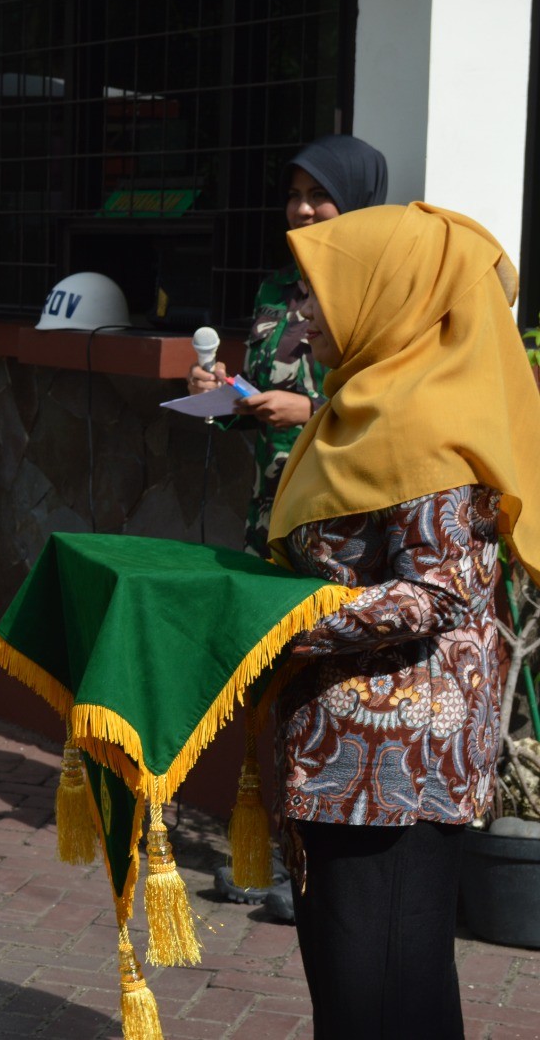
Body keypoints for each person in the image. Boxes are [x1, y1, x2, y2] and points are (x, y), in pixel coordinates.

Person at [269, 202, 540, 1038]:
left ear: (387, 296)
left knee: (383, 990)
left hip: (396, 770)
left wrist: (289, 623)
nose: (304, 313)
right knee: (362, 990)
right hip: (348, 757)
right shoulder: (362, 403)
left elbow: (439, 593)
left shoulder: (426, 422)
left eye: (319, 292)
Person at [187, 134, 389, 557]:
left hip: (341, 516)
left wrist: (311, 412)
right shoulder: (276, 288)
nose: (302, 209)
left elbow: (397, 405)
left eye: (320, 195)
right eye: (294, 196)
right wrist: (221, 394)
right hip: (271, 510)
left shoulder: (380, 292)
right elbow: (259, 390)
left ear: (357, 200)